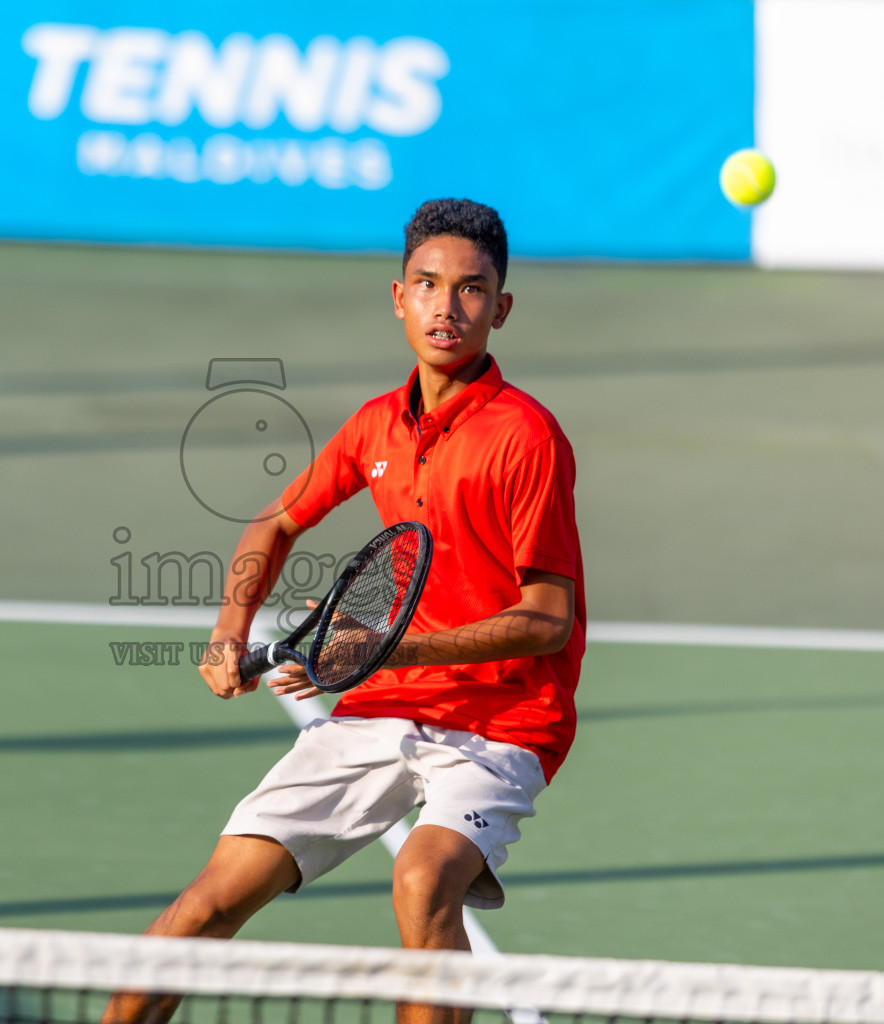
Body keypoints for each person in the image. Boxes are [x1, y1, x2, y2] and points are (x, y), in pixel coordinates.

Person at [105, 199, 586, 1024]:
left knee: (424, 878)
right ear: (397, 297)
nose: (447, 306)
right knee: (207, 905)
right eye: (428, 285)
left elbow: (547, 620)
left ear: (499, 310)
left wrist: (389, 653)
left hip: (504, 718)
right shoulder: (376, 426)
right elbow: (278, 520)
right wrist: (228, 632)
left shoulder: (526, 437)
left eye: (471, 290)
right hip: (382, 708)